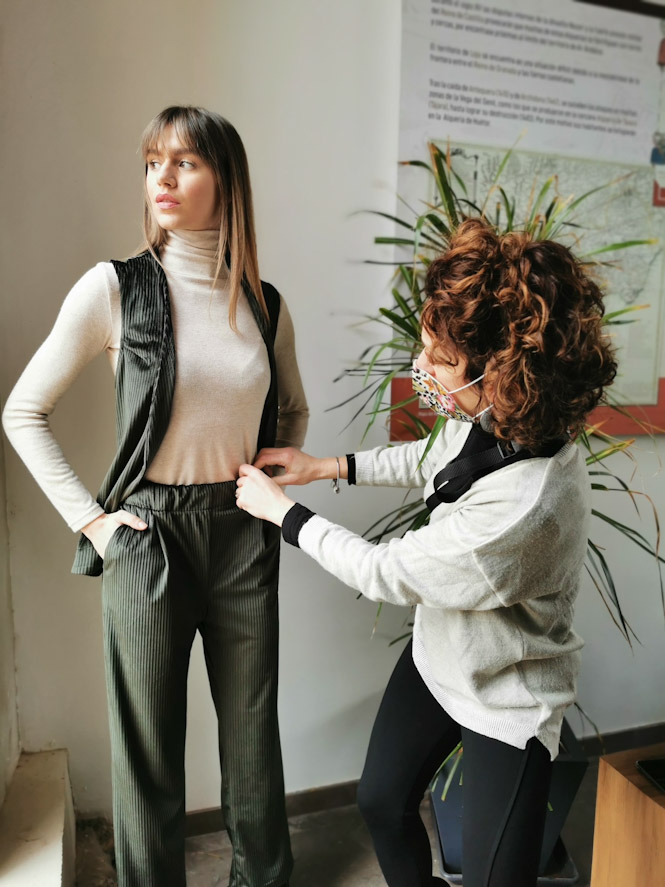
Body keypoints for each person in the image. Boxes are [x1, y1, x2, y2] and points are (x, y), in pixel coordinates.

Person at [235, 217, 617, 887]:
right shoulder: (498, 416)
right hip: (438, 660)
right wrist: (326, 464)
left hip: (506, 697)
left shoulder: (525, 507)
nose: (419, 367)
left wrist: (283, 514)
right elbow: (435, 456)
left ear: (501, 372)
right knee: (380, 802)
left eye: (437, 359)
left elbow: (384, 570)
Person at [2, 105, 308, 887]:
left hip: (241, 530)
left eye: (185, 162)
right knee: (148, 752)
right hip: (148, 533)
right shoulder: (116, 288)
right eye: (151, 162)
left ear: (225, 180)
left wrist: (269, 477)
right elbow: (22, 410)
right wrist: (96, 522)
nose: (162, 179)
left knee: (251, 739)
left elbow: (290, 409)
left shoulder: (264, 304)